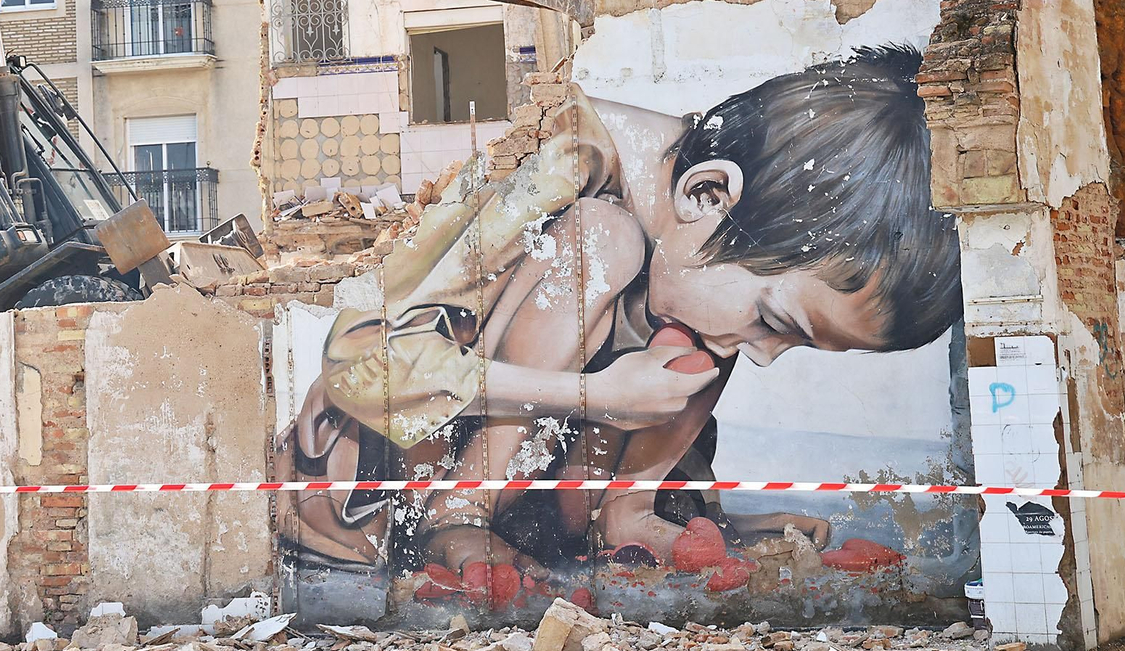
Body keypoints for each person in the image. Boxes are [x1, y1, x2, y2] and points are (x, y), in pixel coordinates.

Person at [278, 45, 964, 579]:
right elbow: (361, 368)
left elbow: (703, 321)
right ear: (707, 192)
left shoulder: (697, 254)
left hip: (548, 502)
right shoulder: (560, 157)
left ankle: (626, 510)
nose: (762, 353)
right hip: (374, 476)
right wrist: (594, 394)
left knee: (697, 316)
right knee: (610, 242)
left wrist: (665, 505)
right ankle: (460, 512)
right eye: (774, 321)